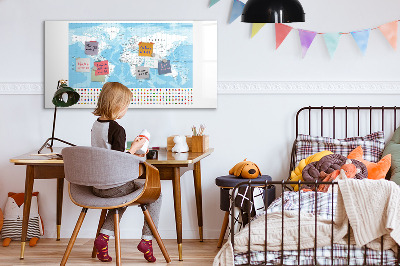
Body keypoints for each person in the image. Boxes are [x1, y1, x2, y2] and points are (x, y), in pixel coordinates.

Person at [91, 82, 161, 263]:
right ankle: (147, 240)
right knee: (156, 194)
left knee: (121, 197)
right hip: (114, 186)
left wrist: (131, 149)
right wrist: (136, 148)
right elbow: (119, 160)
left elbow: (108, 154)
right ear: (117, 105)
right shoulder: (117, 129)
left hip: (97, 186)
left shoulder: (96, 125)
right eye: (126, 106)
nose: (126, 110)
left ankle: (103, 238)